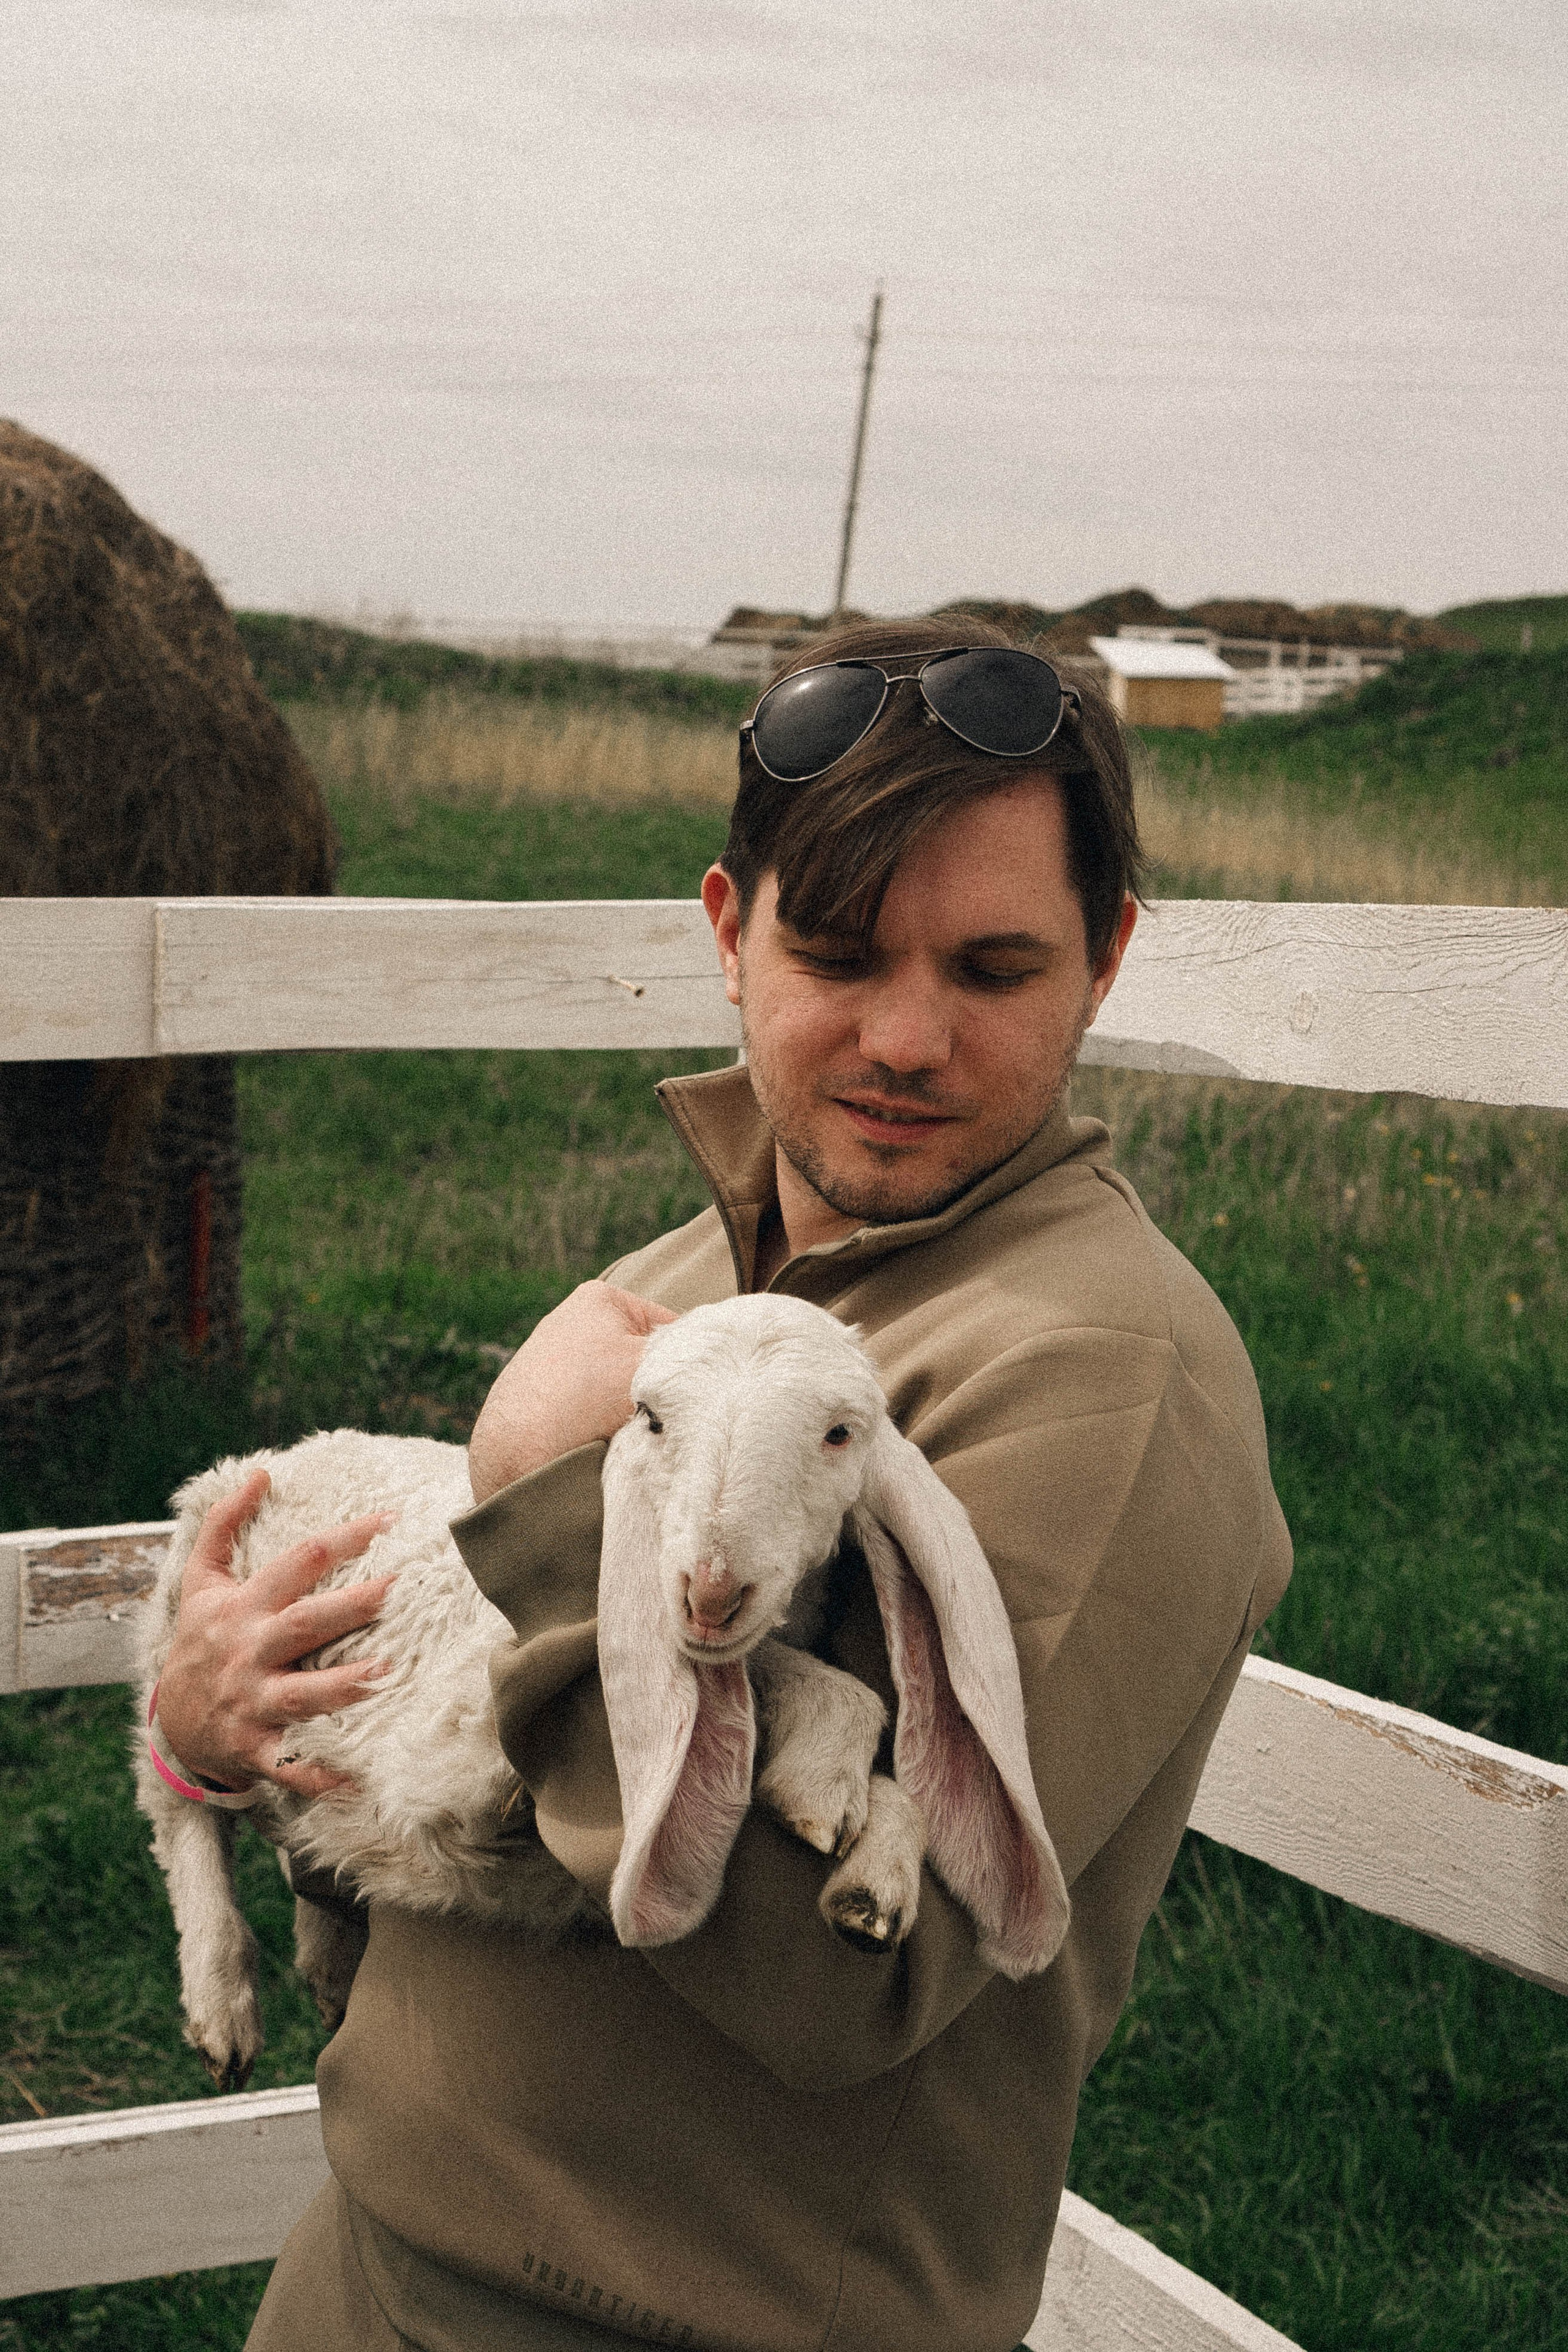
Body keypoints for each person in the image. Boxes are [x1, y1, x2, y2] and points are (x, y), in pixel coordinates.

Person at [158, 617, 1291, 2352]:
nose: (906, 1038)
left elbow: (862, 1983)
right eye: (837, 950)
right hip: (376, 2253)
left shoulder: (1099, 1372)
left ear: (1107, 956)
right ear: (726, 934)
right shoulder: (701, 1281)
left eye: (993, 970)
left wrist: (546, 1503)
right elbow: (478, 1736)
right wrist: (235, 1723)